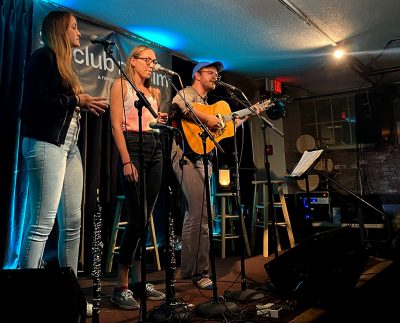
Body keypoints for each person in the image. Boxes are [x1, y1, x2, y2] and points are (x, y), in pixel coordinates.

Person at [19, 10, 108, 316]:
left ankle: (68, 296)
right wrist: (75, 101)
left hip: (69, 148)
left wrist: (81, 105)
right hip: (46, 144)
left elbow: (60, 103)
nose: (79, 32)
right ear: (60, 30)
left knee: (72, 224)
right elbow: (31, 106)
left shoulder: (64, 65)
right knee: (41, 224)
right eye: (73, 27)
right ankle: (24, 298)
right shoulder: (41, 58)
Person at [170, 61, 259, 289]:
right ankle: (202, 273)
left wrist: (249, 114)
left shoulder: (210, 103)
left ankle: (189, 271)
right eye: (210, 73)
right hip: (187, 157)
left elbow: (226, 128)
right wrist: (207, 119)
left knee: (195, 215)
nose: (215, 77)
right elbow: (179, 103)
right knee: (202, 217)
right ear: (197, 75)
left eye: (217, 74)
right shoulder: (187, 92)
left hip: (203, 158)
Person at [109, 45, 168, 310]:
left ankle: (138, 280)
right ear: (132, 61)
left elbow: (150, 123)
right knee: (137, 217)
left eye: (154, 62)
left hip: (154, 147)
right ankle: (120, 285)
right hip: (132, 147)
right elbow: (116, 125)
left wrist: (159, 121)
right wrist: (125, 161)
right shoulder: (120, 85)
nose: (152, 65)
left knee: (147, 217)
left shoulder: (154, 92)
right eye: (147, 60)